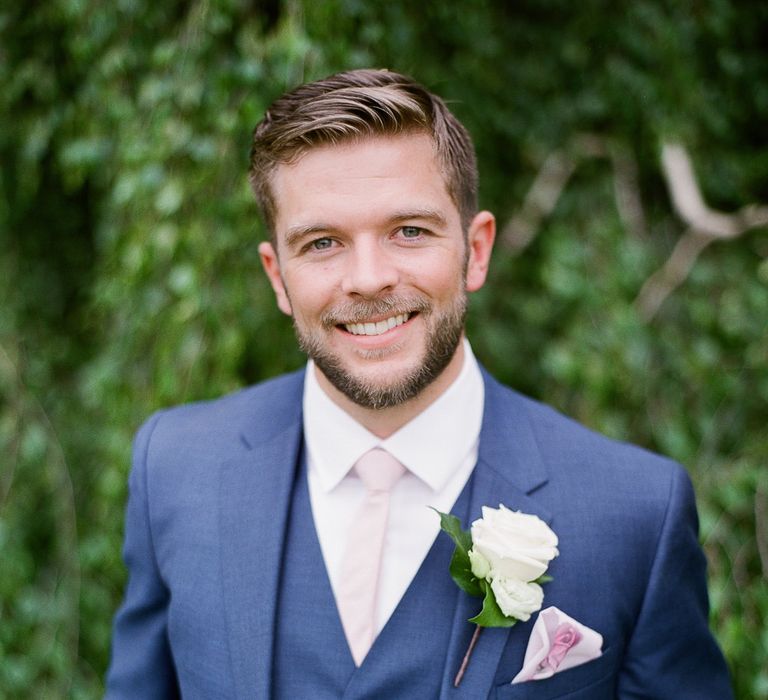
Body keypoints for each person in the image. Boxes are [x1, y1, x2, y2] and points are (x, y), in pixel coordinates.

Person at [105, 68, 733, 699]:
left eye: (409, 231)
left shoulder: (635, 514)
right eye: (323, 242)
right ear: (277, 278)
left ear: (476, 250)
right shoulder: (176, 469)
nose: (370, 278)